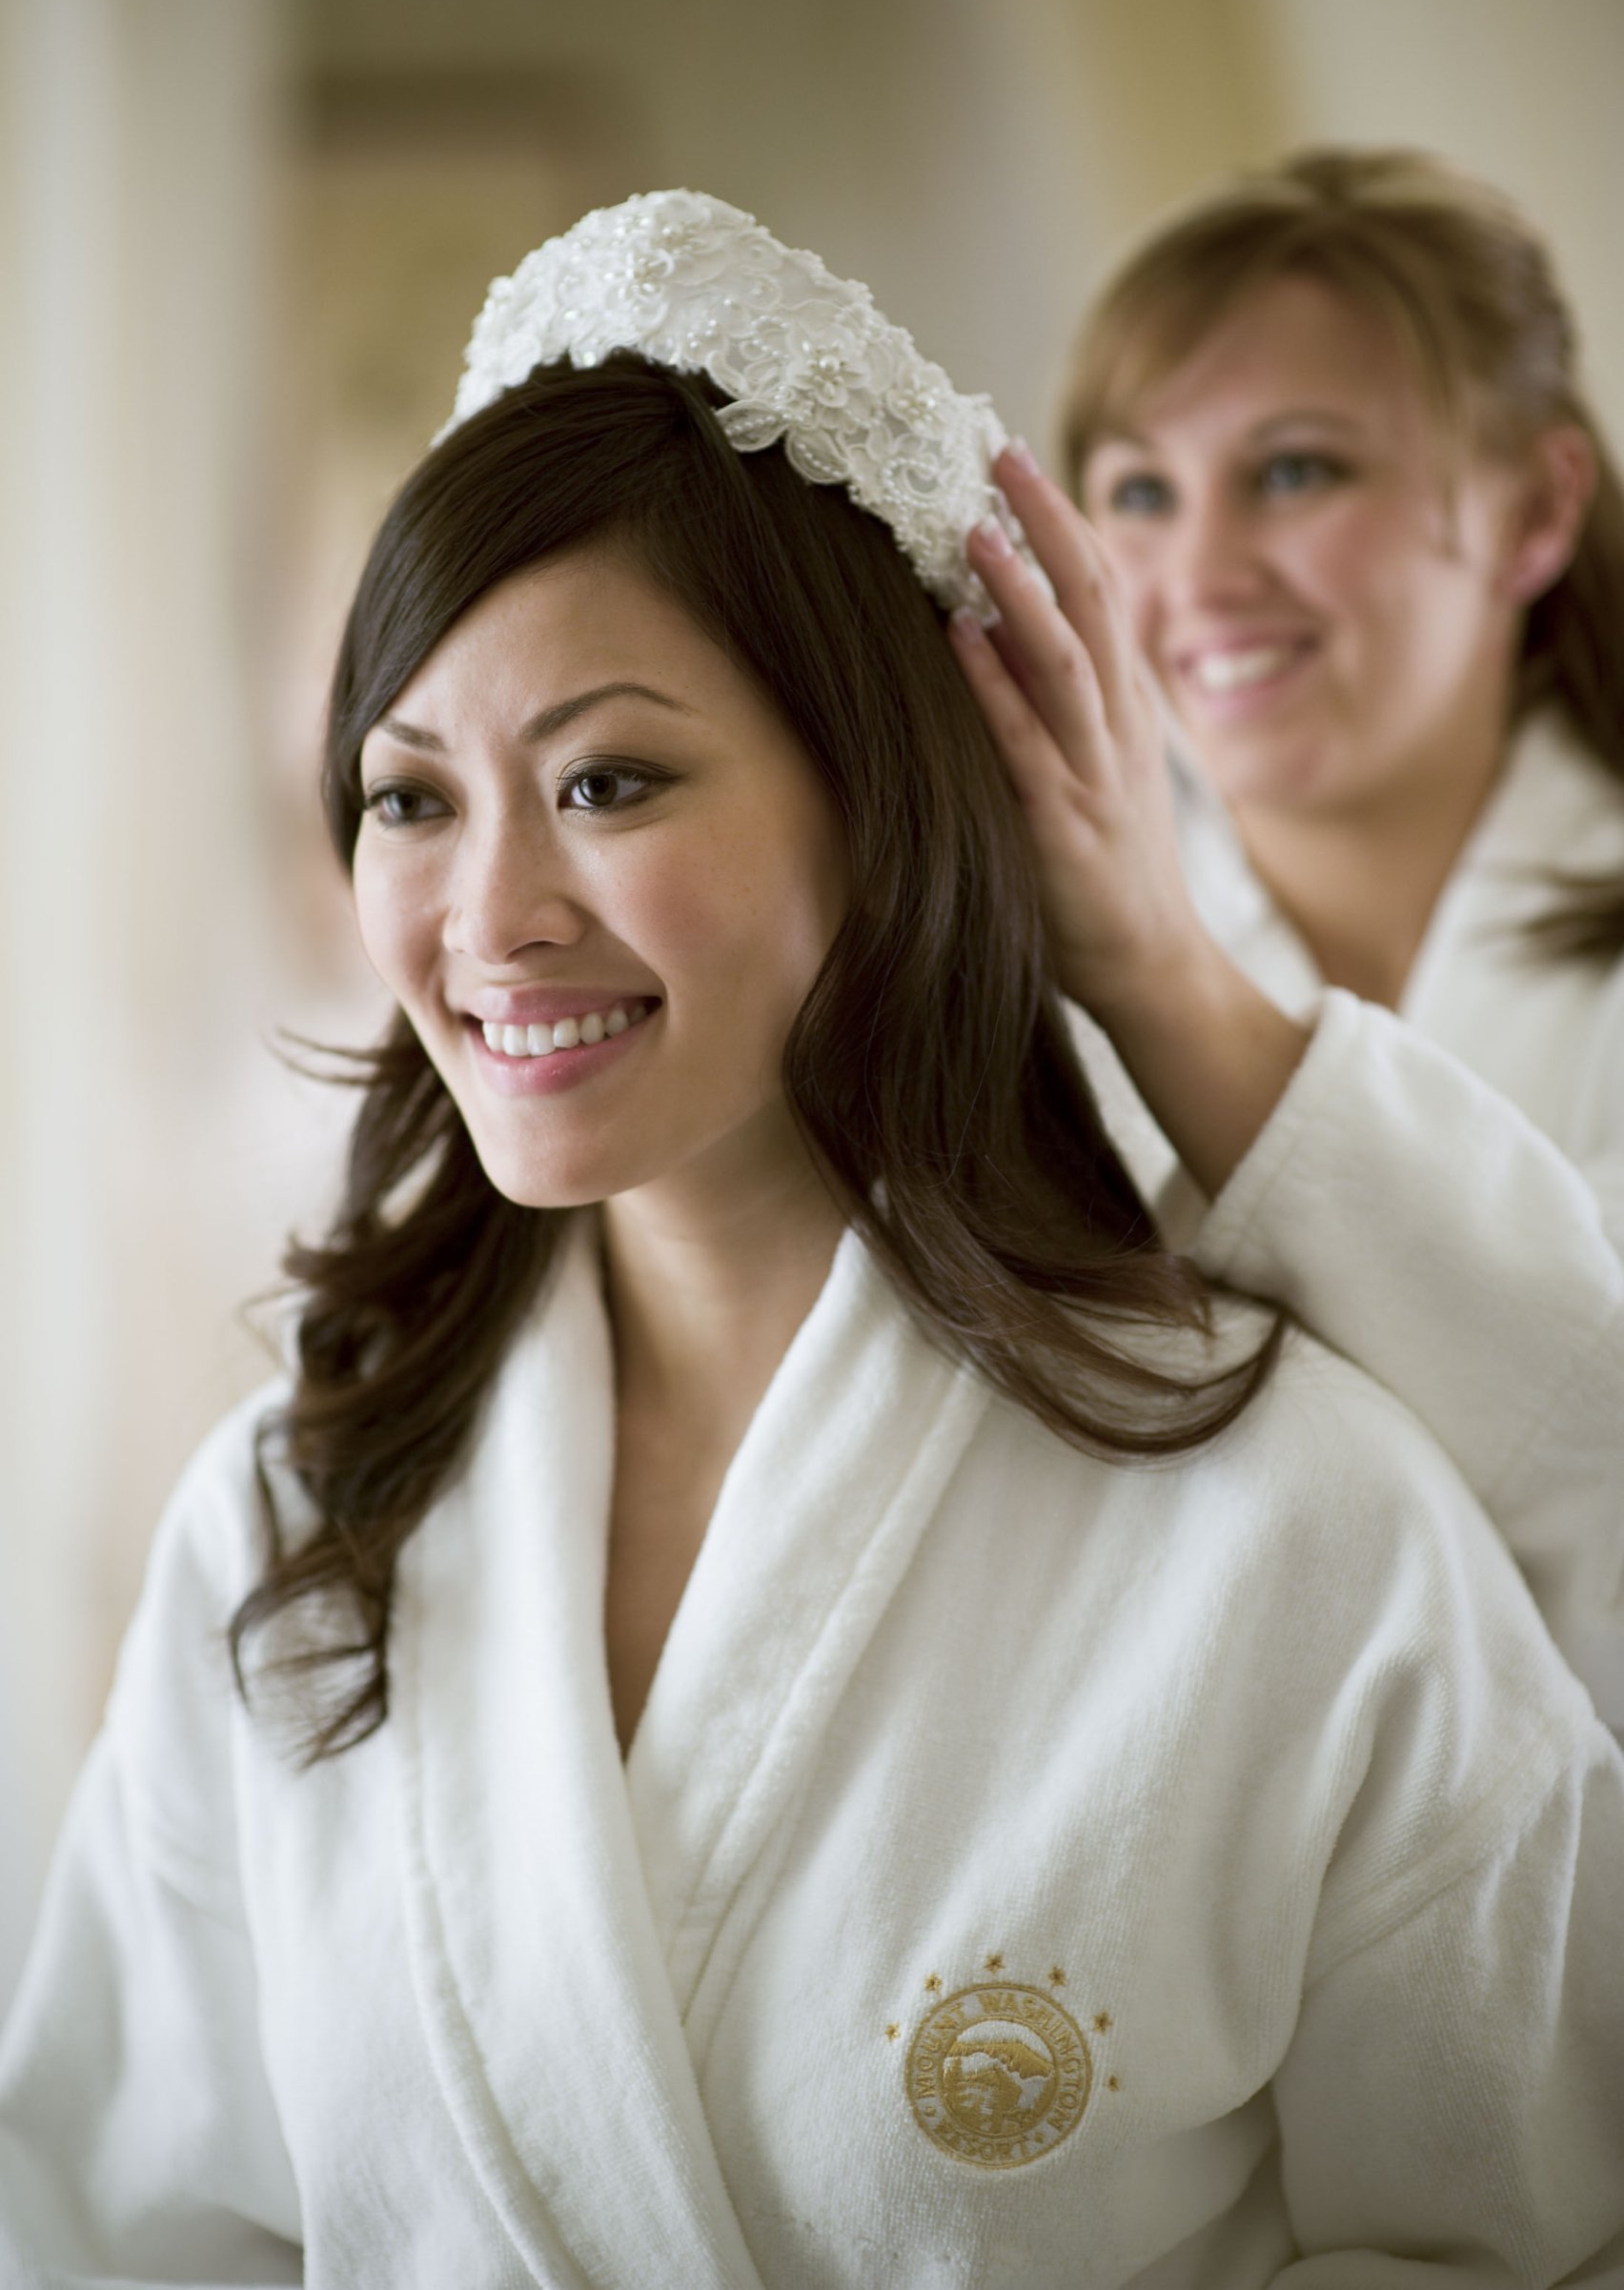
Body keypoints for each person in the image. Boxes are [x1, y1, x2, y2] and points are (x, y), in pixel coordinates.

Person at [2, 192, 1622, 2286]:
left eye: (609, 781)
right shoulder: (286, 1532)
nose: (489, 918)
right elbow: (110, 2224)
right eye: (412, 798)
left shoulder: (1306, 1531)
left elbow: (1538, 2235)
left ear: (885, 806)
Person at [950, 147, 1624, 1721]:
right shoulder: (1019, 1003)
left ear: (1532, 508)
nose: (1201, 576)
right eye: (1139, 493)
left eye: (1298, 470)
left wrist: (1161, 983)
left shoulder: (1135, 972)